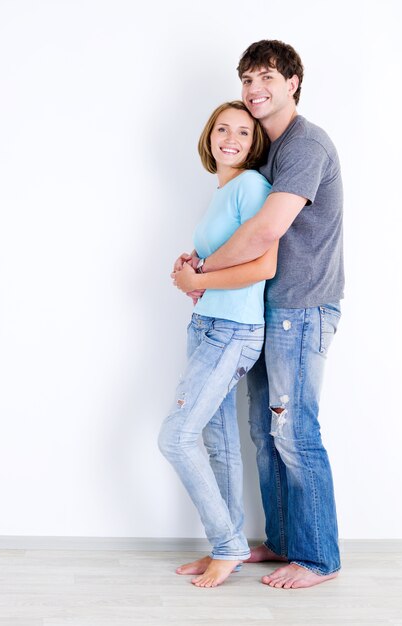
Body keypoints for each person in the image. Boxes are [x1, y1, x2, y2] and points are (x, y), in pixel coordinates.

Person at [173, 40, 345, 590]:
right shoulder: (268, 149)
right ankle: (282, 541)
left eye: (266, 76)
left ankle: (318, 558)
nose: (254, 90)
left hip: (303, 306)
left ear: (294, 81)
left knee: (294, 432)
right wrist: (203, 267)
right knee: (262, 432)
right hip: (269, 310)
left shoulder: (305, 145)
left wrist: (200, 274)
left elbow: (265, 234)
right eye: (246, 79)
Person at [158, 100, 278, 588]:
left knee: (176, 437)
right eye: (222, 129)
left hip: (233, 332)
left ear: (254, 145)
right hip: (209, 328)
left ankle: (228, 545)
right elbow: (218, 266)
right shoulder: (223, 190)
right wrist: (194, 266)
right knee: (218, 442)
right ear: (209, 136)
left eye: (243, 133)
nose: (231, 139)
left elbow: (264, 267)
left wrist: (198, 278)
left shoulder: (252, 185)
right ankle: (223, 549)